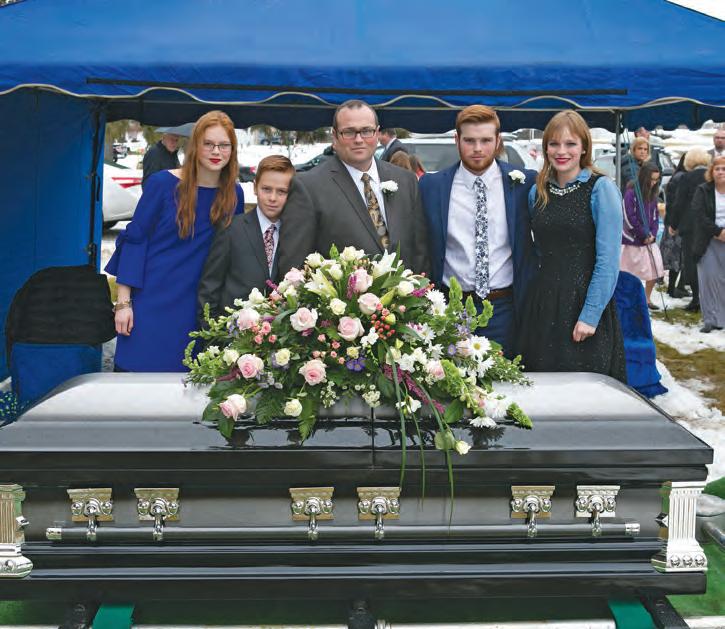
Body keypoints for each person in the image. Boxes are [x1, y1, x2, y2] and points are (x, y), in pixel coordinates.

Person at [106, 110, 244, 372]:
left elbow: (231, 254)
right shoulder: (161, 184)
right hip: (151, 301)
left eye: (224, 145)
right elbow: (135, 241)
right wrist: (123, 303)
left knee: (188, 386)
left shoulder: (233, 194)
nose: (216, 151)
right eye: (208, 143)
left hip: (199, 308)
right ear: (195, 146)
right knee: (136, 382)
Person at [419, 105, 537, 355]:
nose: (477, 148)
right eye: (469, 140)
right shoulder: (432, 186)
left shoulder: (524, 183)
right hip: (451, 308)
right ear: (457, 140)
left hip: (504, 308)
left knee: (507, 376)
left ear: (498, 141)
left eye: (485, 140)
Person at [518, 110, 626, 381]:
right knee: (542, 385)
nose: (561, 151)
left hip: (583, 302)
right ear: (545, 148)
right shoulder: (537, 192)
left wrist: (590, 315)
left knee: (583, 389)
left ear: (584, 147)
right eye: (554, 144)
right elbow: (539, 251)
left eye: (570, 144)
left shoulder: (600, 189)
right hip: (543, 304)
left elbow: (608, 260)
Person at [278, 99, 429, 275]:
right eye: (349, 132)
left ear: (377, 133)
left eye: (366, 131)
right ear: (335, 137)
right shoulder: (309, 187)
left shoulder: (406, 181)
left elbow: (420, 253)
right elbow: (294, 267)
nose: (358, 139)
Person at [198, 155, 295, 319]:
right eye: (266, 189)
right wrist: (212, 328)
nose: (272, 198)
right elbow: (210, 287)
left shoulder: (295, 233)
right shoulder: (231, 229)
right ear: (255, 187)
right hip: (232, 329)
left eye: (281, 191)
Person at [669, 147, 711, 312]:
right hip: (710, 226)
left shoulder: (687, 177)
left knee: (691, 263)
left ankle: (696, 299)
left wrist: (673, 225)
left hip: (690, 226)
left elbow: (679, 203)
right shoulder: (711, 176)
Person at [621, 162, 665, 309]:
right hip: (632, 240)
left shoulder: (653, 194)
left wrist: (652, 234)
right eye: (651, 179)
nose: (654, 183)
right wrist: (642, 234)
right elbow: (629, 216)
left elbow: (655, 217)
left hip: (649, 240)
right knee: (629, 273)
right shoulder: (631, 192)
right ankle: (629, 299)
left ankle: (646, 299)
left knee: (654, 269)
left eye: (656, 180)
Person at [691, 155, 725, 333]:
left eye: (724, 169)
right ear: (712, 172)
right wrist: (718, 232)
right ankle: (710, 319)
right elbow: (698, 214)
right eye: (717, 169)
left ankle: (722, 318)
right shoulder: (703, 190)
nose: (721, 172)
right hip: (708, 240)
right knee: (708, 279)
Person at [661, 154, 689, 298]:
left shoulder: (677, 176)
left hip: (673, 221)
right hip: (676, 223)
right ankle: (673, 289)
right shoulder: (682, 178)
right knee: (677, 257)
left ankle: (677, 287)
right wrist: (675, 223)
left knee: (676, 257)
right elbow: (677, 203)